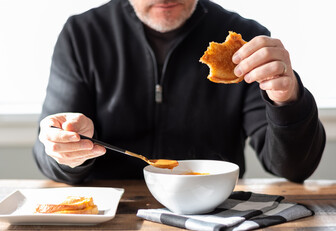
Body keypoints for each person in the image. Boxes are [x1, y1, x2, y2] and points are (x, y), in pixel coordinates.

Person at [33, 0, 325, 184]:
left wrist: (288, 99)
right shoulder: (82, 35)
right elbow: (49, 156)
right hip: (112, 214)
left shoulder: (245, 41)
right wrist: (65, 148)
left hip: (216, 212)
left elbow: (294, 168)